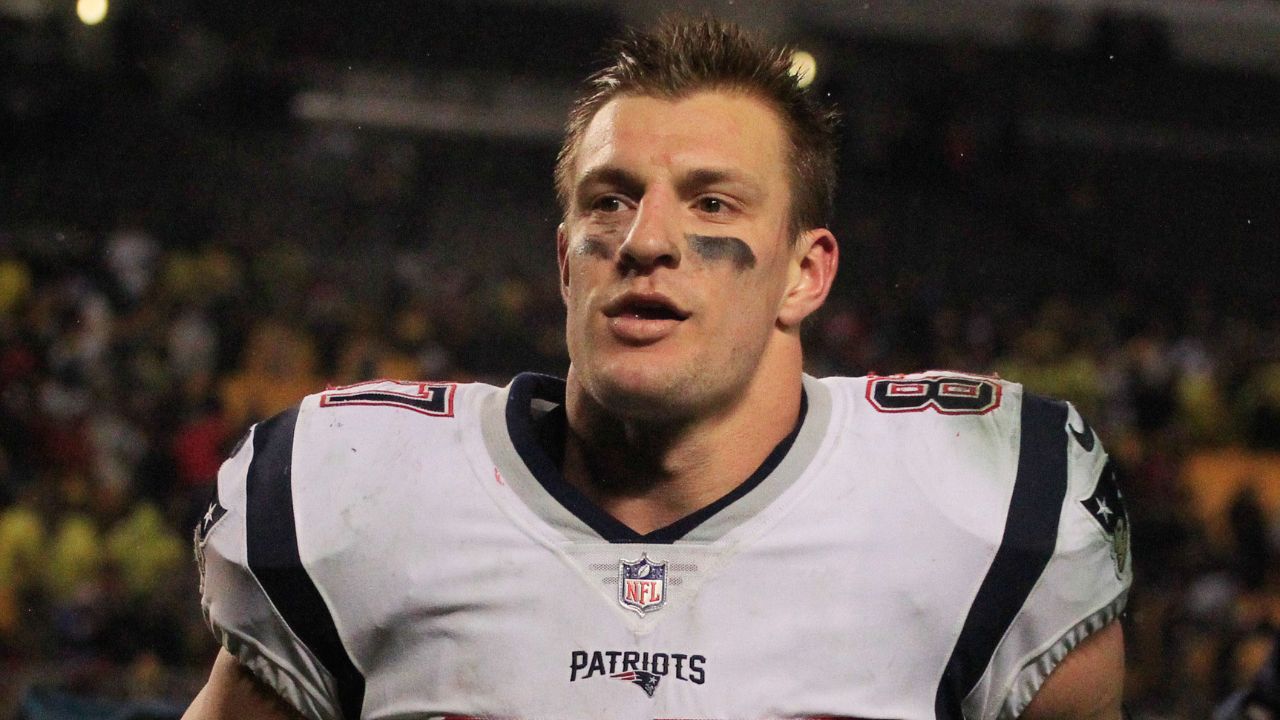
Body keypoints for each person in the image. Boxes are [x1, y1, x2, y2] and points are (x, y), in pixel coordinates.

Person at [182, 17, 1131, 720]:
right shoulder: (359, 496)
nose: (646, 242)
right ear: (565, 263)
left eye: (712, 205)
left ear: (806, 273)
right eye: (610, 201)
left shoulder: (979, 507)